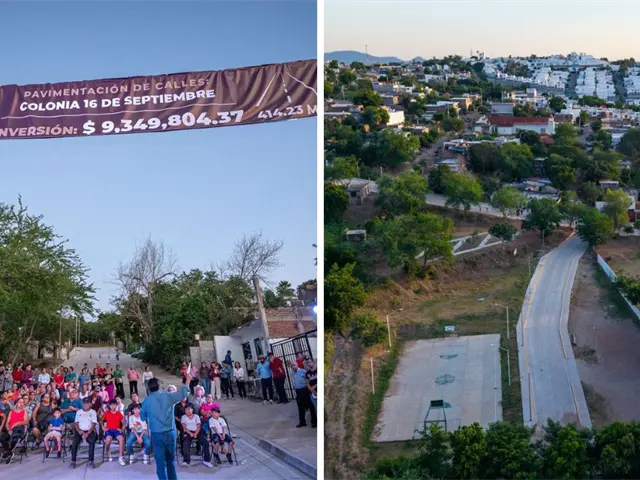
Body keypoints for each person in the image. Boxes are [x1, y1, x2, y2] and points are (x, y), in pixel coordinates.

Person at [140, 373, 190, 480]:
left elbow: (142, 417)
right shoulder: (168, 396)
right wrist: (188, 380)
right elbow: (183, 393)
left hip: (157, 435)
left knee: (160, 465)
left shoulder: (147, 401)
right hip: (170, 433)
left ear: (148, 388)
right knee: (170, 462)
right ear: (159, 386)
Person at [69, 397, 98, 469]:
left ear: (90, 404)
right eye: (84, 403)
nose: (86, 405)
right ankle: (73, 461)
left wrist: (88, 433)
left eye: (87, 403)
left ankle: (91, 461)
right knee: (74, 443)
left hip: (89, 431)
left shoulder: (93, 412)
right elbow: (76, 423)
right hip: (80, 430)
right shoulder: (79, 412)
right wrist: (79, 431)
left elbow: (94, 423)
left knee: (92, 442)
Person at [0, 397, 29, 463]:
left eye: (22, 402)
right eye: (20, 402)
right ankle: (9, 452)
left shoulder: (24, 411)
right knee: (2, 437)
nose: (21, 404)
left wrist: (17, 423)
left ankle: (7, 452)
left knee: (14, 437)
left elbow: (26, 421)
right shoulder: (11, 412)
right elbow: (7, 422)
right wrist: (8, 429)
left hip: (19, 430)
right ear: (16, 403)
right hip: (10, 430)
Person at [291, 362, 316, 428]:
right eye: (292, 366)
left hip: (304, 390)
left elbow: (308, 380)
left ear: (297, 365)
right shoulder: (293, 373)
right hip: (298, 391)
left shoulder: (303, 371)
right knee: (300, 407)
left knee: (310, 406)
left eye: (294, 365)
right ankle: (302, 422)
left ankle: (314, 422)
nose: (293, 367)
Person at [103, 399, 126, 465]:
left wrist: (122, 429)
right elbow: (101, 420)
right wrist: (103, 427)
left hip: (116, 430)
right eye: (111, 405)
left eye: (114, 405)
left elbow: (124, 423)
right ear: (109, 406)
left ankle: (120, 457)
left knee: (121, 438)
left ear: (116, 405)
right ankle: (108, 452)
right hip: (109, 430)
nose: (113, 406)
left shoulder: (119, 413)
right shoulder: (106, 413)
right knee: (108, 440)